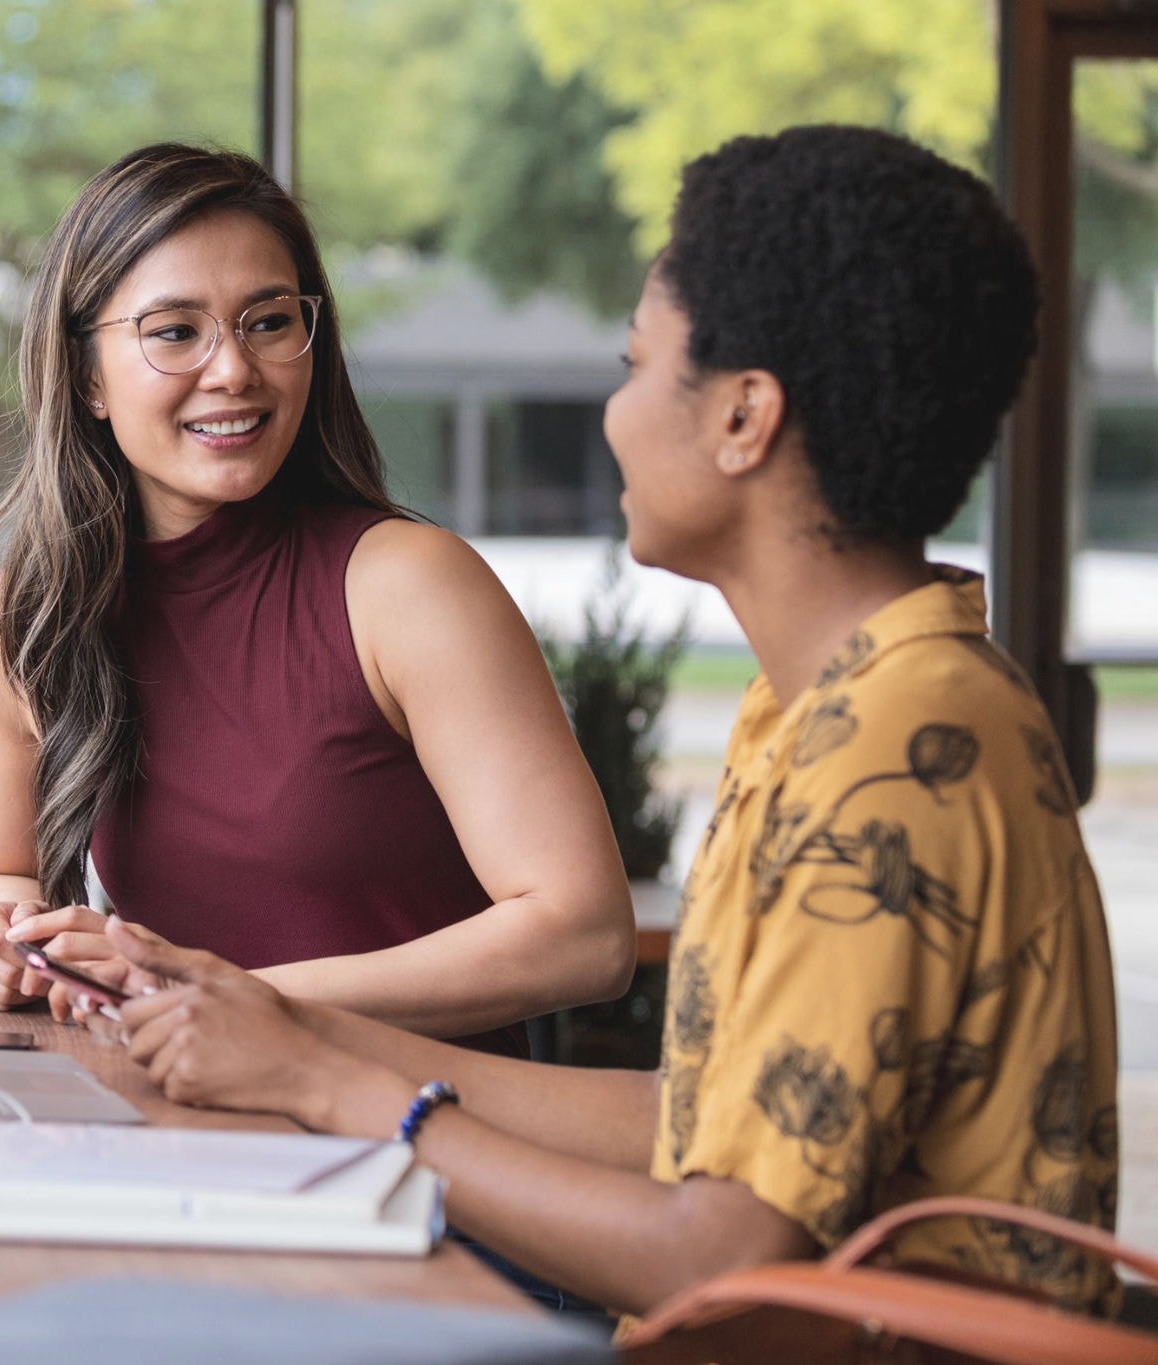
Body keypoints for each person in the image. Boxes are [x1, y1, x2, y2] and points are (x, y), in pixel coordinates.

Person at [65, 125, 1121, 1324]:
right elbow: (696, 1123)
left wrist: (327, 1082)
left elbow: (712, 1254)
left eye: (631, 368)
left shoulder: (895, 748)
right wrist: (283, 1033)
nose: (611, 418)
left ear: (741, 419)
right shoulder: (839, 705)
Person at [0, 143, 635, 1049]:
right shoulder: (25, 617)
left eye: (268, 321)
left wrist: (225, 995)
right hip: (184, 1129)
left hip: (426, 1145)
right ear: (85, 377)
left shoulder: (409, 587)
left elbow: (586, 935)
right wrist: (6, 938)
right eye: (176, 331)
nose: (233, 369)